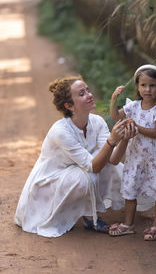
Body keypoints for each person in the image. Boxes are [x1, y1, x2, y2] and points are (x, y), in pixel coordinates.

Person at [14, 75, 136, 238]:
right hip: (49, 183)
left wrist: (125, 139)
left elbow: (113, 160)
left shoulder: (97, 121)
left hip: (74, 173)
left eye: (88, 90)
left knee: (109, 166)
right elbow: (94, 167)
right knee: (87, 176)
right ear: (69, 106)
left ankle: (86, 214)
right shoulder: (61, 131)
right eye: (82, 94)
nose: (89, 95)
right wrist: (112, 140)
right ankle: (73, 216)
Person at [109, 64, 156, 240]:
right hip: (136, 158)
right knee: (130, 189)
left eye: (152, 85)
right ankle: (128, 224)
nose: (147, 89)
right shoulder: (133, 106)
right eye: (143, 85)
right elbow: (114, 116)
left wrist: (136, 126)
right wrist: (114, 99)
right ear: (137, 86)